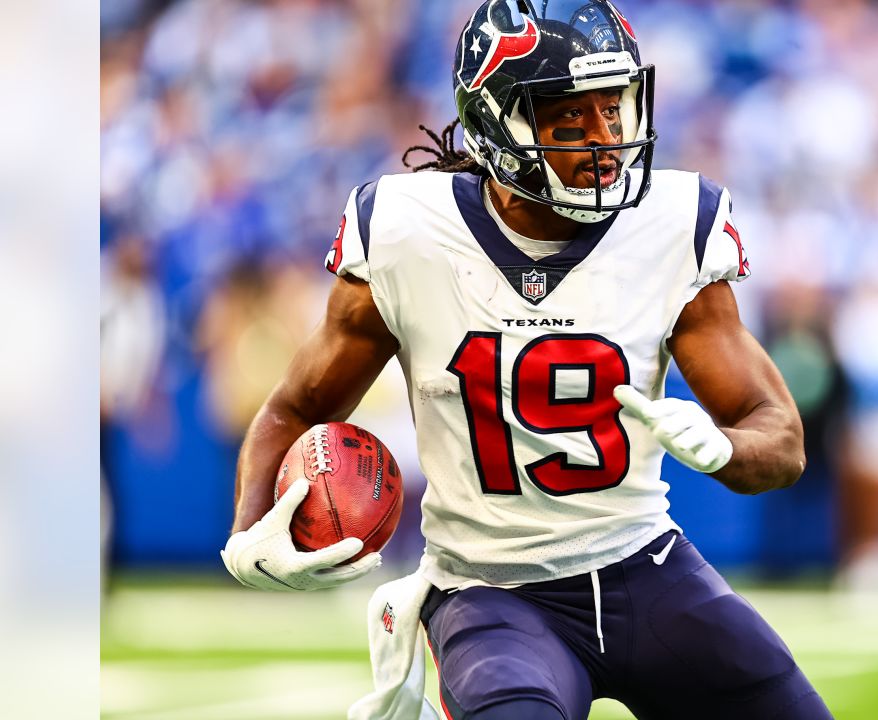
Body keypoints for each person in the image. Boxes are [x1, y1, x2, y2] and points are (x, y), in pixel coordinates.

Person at [219, 2, 834, 718]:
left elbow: (782, 441)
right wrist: (246, 531)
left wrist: (725, 446)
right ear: (495, 123)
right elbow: (297, 408)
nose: (605, 139)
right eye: (569, 116)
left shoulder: (669, 226)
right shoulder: (406, 234)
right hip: (491, 594)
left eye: (615, 107)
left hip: (645, 567)